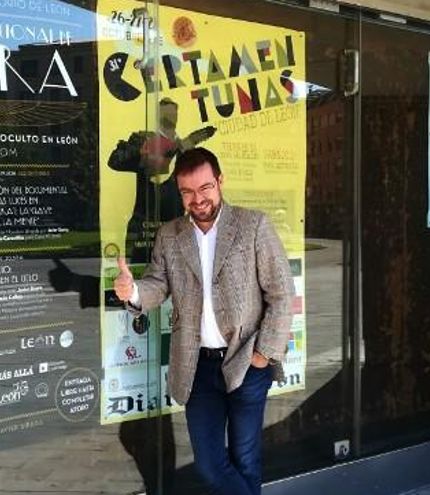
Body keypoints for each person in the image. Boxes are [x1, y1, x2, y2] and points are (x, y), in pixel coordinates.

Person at [113, 147, 294, 495]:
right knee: (210, 466)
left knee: (245, 459)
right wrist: (133, 290)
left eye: (205, 188)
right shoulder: (170, 235)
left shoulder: (253, 225)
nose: (198, 199)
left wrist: (263, 355)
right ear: (179, 192)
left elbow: (281, 293)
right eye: (187, 192)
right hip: (197, 367)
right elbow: (158, 285)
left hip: (246, 361)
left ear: (220, 181)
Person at [108, 98, 217, 262]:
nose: (171, 117)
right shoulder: (144, 140)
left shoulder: (186, 150)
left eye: (174, 112)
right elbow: (115, 162)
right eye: (166, 112)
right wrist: (146, 151)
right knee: (142, 279)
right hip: (145, 230)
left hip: (175, 230)